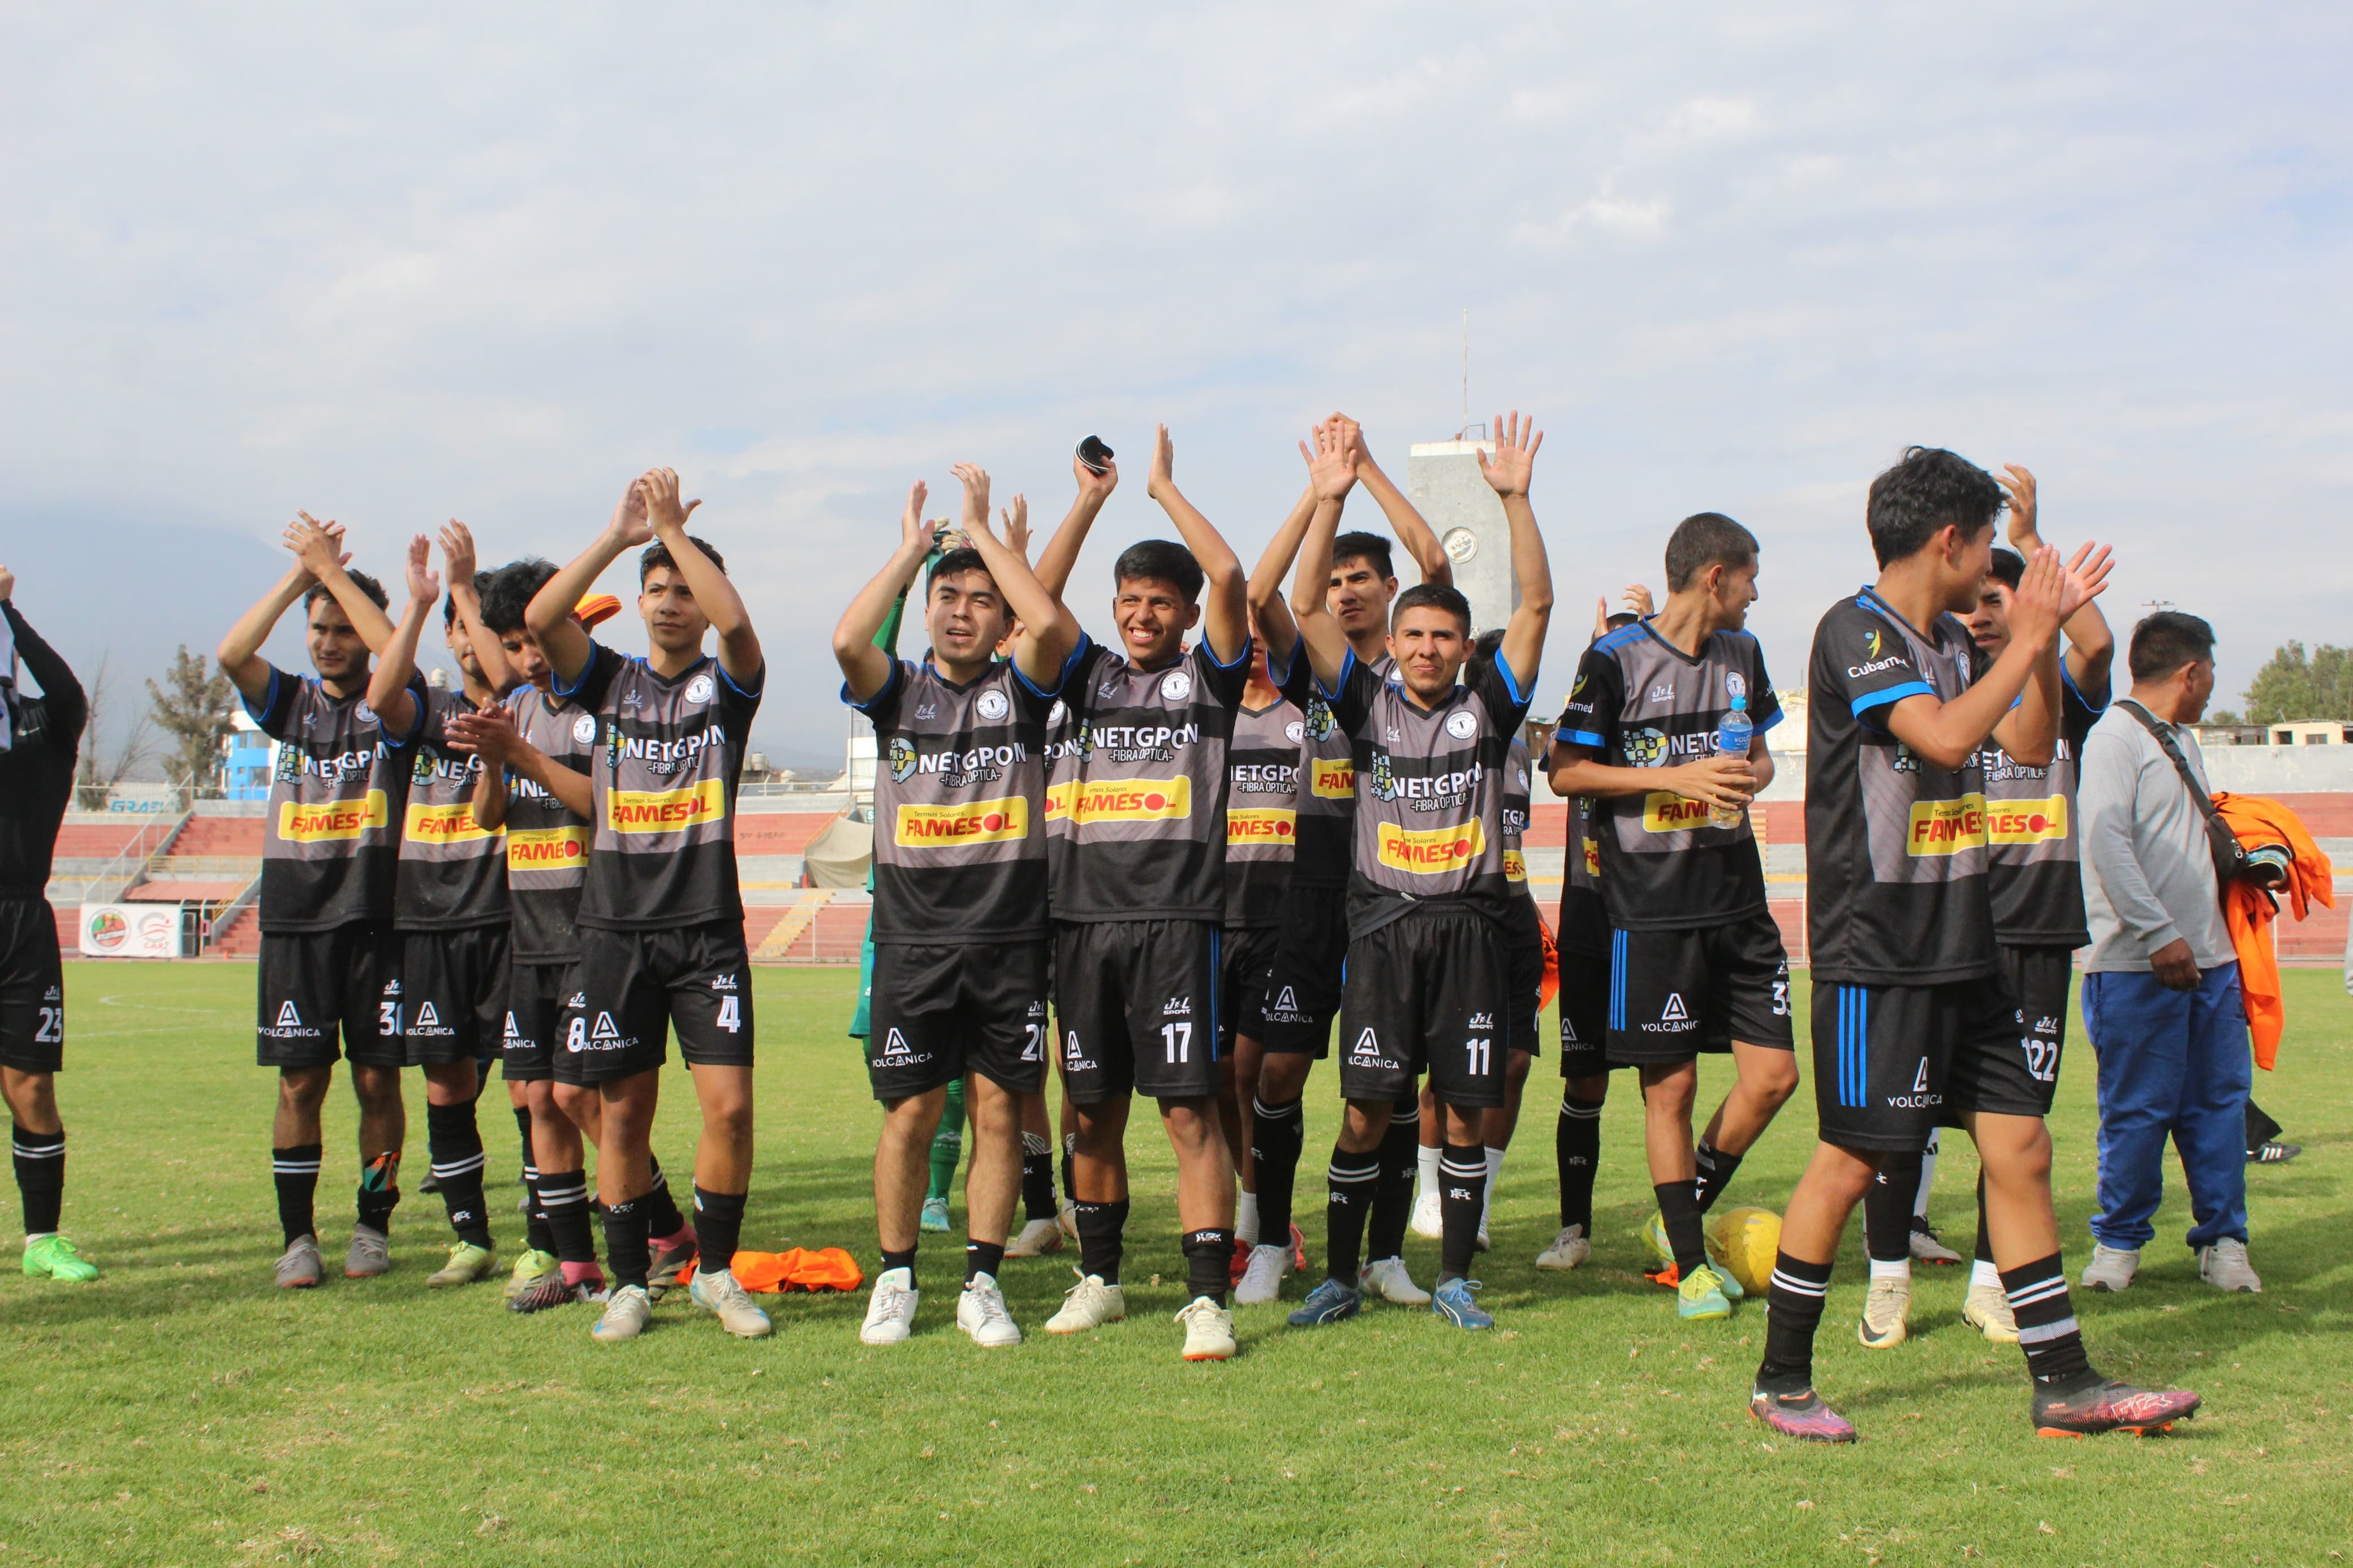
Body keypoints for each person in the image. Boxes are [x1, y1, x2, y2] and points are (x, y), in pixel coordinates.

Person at [1749, 444, 2198, 1444]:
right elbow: (1946, 739)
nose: (1993, 557)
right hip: (1881, 951)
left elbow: (2029, 745)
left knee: (2022, 1145)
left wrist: (2032, 646)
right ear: (1948, 539)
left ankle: (2065, 1380)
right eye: (1988, 538)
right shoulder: (1855, 630)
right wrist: (2027, 631)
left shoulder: (1959, 636)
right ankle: (1782, 1378)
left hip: (1971, 942)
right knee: (1852, 1161)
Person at [1283, 412, 1553, 1333]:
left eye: (1446, 635)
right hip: (1385, 935)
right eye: (1417, 635)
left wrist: (1516, 500)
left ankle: (1459, 1278)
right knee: (1366, 1112)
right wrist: (1329, 499)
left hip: (1473, 933)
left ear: (1463, 648)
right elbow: (1307, 609)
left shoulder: (1490, 709)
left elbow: (1539, 609)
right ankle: (1342, 1275)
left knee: (1468, 1115)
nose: (1430, 647)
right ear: (1395, 643)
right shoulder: (1365, 706)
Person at [1858, 465, 2115, 1345]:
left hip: (2036, 927)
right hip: (1942, 924)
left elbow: (2083, 669)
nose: (1983, 610)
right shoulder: (1908, 658)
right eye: (1979, 596)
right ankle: (1883, 1280)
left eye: (2002, 598)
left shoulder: (2024, 672)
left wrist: (2039, 602)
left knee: (2018, 1127)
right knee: (1895, 1124)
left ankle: (1995, 1285)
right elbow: (1942, 738)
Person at [526, 469, 770, 1344]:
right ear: (638, 603)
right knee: (623, 1111)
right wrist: (623, 535)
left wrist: (675, 533)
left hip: (706, 933)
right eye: (657, 589)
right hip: (616, 933)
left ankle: (715, 1273)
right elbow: (543, 621)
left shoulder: (727, 692)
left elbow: (740, 627)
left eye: (684, 590)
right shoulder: (611, 683)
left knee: (730, 1109)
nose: (671, 601)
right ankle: (629, 1282)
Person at [1025, 424, 1252, 1362]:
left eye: (1160, 603)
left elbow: (1235, 575)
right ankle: (1102, 1280)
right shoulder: (1088, 678)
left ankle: (1207, 1300)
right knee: (1091, 1112)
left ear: (1187, 614)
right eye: (1130, 602)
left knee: (1190, 1111)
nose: (1142, 616)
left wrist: (1160, 490)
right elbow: (1033, 606)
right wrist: (1088, 501)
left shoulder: (1208, 681)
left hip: (1173, 923)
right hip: (1081, 924)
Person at [836, 466, 1078, 1349]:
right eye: (949, 596)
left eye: (982, 599)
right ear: (927, 606)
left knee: (999, 1112)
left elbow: (1049, 624)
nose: (964, 611)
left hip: (1010, 939)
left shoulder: (1023, 690)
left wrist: (987, 533)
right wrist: (908, 551)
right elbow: (843, 639)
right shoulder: (897, 693)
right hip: (913, 941)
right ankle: (896, 1278)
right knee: (908, 1113)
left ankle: (982, 1282)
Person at [1548, 511, 1794, 1323]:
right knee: (1673, 1086)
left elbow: (1760, 754)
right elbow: (1567, 772)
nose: (1757, 596)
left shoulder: (1744, 655)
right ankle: (1691, 1265)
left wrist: (1746, 773)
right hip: (1650, 909)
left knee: (1774, 1077)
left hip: (1739, 900)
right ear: (1716, 575)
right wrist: (1675, 781)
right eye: (1750, 577)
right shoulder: (1615, 659)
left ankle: (1675, 1210)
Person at [1242, 416, 1455, 1311]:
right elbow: (1269, 600)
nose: (1344, 593)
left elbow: (1440, 568)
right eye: (1334, 584)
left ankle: (1385, 1255)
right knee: (1279, 1072)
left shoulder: (1420, 669)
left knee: (1390, 1081)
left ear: (1392, 589)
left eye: (1359, 579)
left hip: (1387, 897)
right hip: (1308, 889)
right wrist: (1325, 497)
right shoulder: (1324, 671)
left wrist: (1367, 475)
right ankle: (1266, 1244)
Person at [217, 516, 421, 1289]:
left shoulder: (394, 708)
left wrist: (336, 575)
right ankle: (297, 1237)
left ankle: (373, 1224)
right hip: (297, 921)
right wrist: (302, 579)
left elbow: (396, 642)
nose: (329, 641)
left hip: (378, 922)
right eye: (319, 628)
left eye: (342, 629)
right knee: (300, 1082)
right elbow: (233, 654)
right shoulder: (290, 704)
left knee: (378, 1083)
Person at [456, 559, 639, 1314]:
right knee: (536, 1099)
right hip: (526, 934)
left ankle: (656, 1225)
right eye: (514, 643)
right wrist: (497, 761)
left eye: (536, 639)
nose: (531, 656)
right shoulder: (517, 708)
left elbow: (603, 806)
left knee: (573, 1095)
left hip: (587, 928)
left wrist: (525, 757)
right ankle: (576, 1267)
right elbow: (487, 817)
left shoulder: (603, 706)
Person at [2076, 611, 2261, 1295]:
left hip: (2211, 962)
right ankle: (2118, 1244)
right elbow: (2105, 842)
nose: (2212, 686)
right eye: (2210, 673)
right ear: (2190, 671)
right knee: (2135, 1110)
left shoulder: (2181, 739)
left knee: (2217, 1105)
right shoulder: (2112, 739)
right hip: (2135, 965)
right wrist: (2158, 934)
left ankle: (2221, 1240)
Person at [363, 530, 515, 1290]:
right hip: (425, 920)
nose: (468, 635)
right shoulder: (425, 712)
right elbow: (377, 697)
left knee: (528, 1085)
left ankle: (548, 1236)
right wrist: (425, 605)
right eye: (463, 626)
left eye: (478, 623)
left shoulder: (521, 715)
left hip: (505, 920)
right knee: (446, 1087)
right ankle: (470, 1236)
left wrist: (463, 591)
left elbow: (509, 682)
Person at [1536, 594, 1647, 1273]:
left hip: (1655, 925)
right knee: (1585, 1085)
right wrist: (1592, 651)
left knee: (1669, 1083)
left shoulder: (1664, 735)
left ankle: (1677, 1224)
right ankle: (1572, 1228)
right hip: (1587, 924)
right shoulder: (1580, 731)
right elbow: (1554, 758)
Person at [0, 565, 97, 1282]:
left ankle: (43, 1241)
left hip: (21, 921)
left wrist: (11, 611)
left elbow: (66, 689)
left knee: (31, 1085)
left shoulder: (43, 720)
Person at [1219, 619, 1303, 1303]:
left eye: (1260, 639)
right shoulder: (1206, 719)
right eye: (1239, 640)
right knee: (1217, 1077)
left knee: (1255, 1071)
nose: (1251, 652)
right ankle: (1239, 1217)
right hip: (1210, 921)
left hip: (1276, 923)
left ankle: (1259, 1223)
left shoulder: (1301, 718)